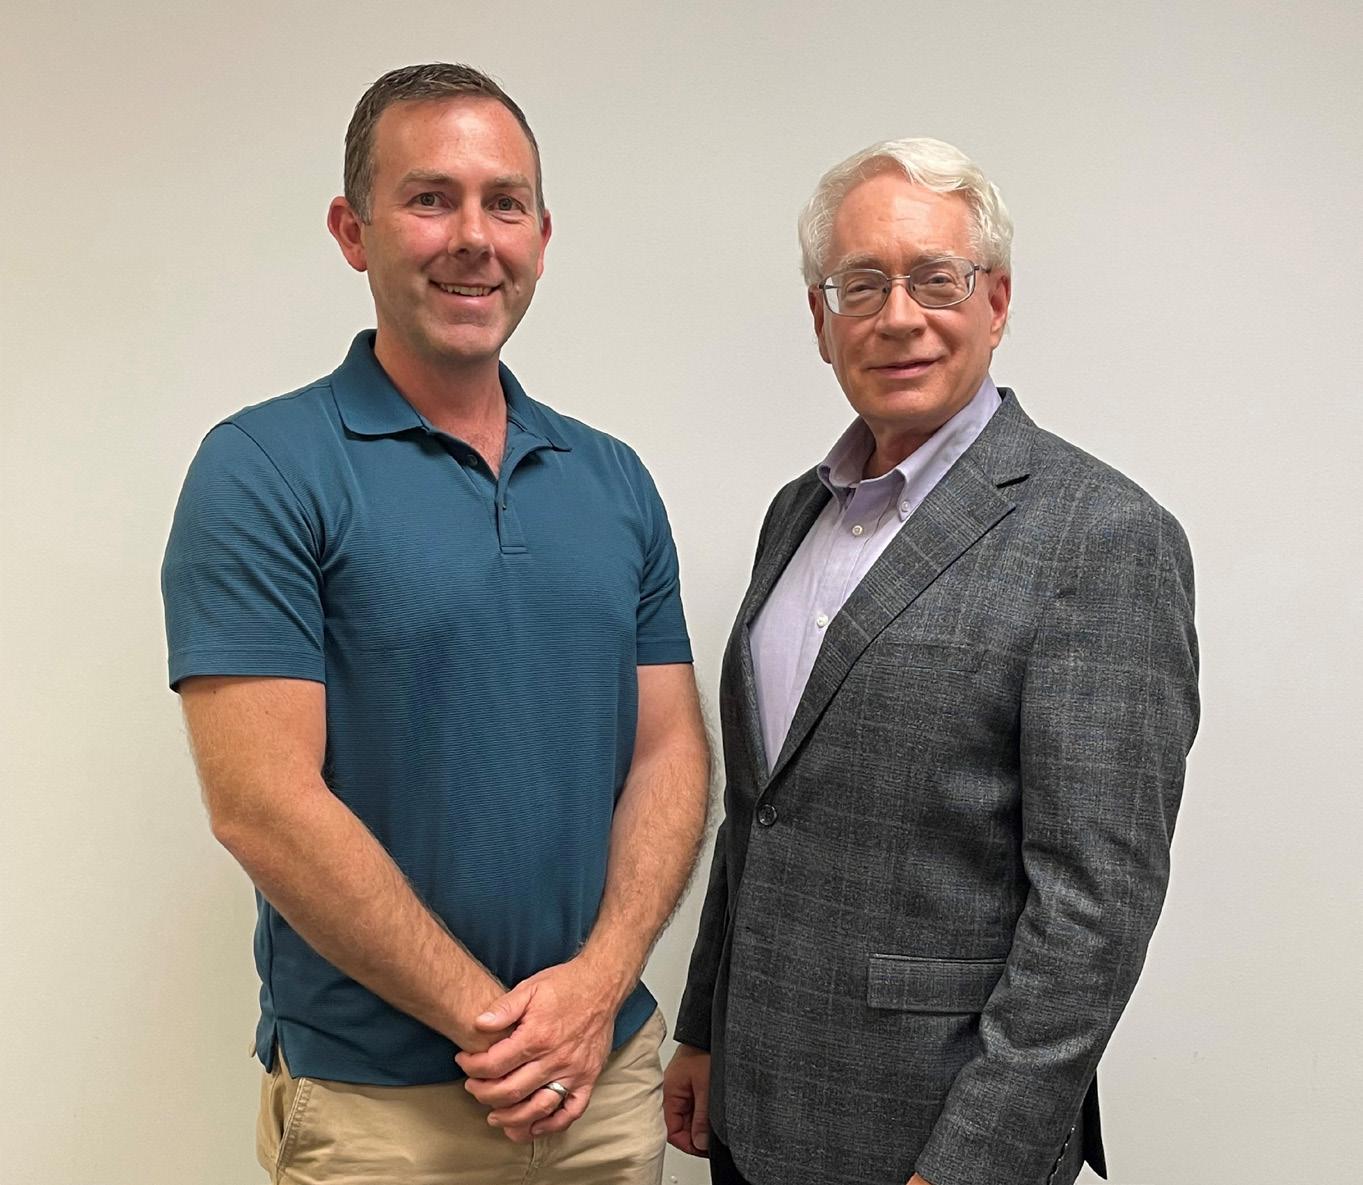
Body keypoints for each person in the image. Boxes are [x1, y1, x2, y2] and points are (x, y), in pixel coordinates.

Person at [161, 62, 709, 1185]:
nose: (473, 237)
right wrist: (502, 1031)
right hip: (382, 1114)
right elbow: (262, 806)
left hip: (603, 1085)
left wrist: (597, 990)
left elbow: (669, 750)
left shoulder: (613, 479)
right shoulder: (263, 469)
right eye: (429, 198)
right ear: (351, 231)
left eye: (504, 203)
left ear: (541, 237)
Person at [663, 138, 1199, 1185]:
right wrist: (704, 1026)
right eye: (860, 284)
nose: (897, 315)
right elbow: (761, 814)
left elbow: (1093, 912)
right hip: (752, 1110)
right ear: (820, 320)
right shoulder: (795, 513)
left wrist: (970, 1165)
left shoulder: (1101, 537)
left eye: (935, 279)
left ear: (996, 301)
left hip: (926, 1135)